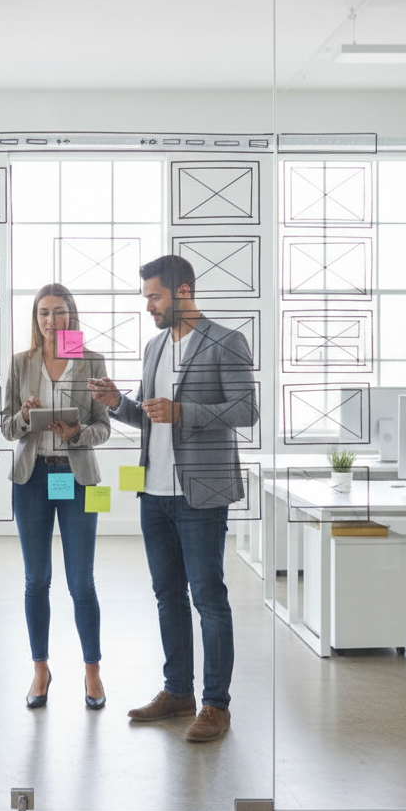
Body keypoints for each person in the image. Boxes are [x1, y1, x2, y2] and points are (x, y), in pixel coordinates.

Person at [89, 255, 258, 743]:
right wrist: (117, 403)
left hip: (200, 493)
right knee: (167, 596)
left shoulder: (226, 341)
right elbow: (148, 415)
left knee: (209, 599)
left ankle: (216, 705)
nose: (149, 307)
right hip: (154, 491)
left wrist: (183, 411)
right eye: (146, 298)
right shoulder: (154, 346)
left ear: (184, 291)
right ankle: (178, 691)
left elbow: (247, 410)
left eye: (155, 297)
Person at [2, 283, 111, 710]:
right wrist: (24, 416)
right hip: (31, 479)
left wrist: (78, 432)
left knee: (82, 581)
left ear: (71, 314)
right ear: (36, 318)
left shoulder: (91, 361)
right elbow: (7, 428)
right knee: (36, 580)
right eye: (44, 313)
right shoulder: (21, 363)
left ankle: (92, 671)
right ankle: (40, 669)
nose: (51, 320)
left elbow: (104, 427)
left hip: (77, 477)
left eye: (59, 311)